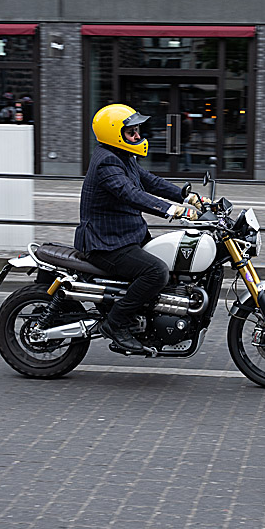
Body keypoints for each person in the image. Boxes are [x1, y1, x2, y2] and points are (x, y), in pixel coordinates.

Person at [75, 103, 203, 352]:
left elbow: (149, 182)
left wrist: (187, 197)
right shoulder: (107, 163)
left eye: (137, 131)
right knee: (156, 272)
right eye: (131, 132)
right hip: (106, 243)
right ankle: (116, 324)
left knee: (170, 262)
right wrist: (171, 210)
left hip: (124, 236)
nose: (137, 136)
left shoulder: (123, 157)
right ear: (114, 134)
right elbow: (130, 193)